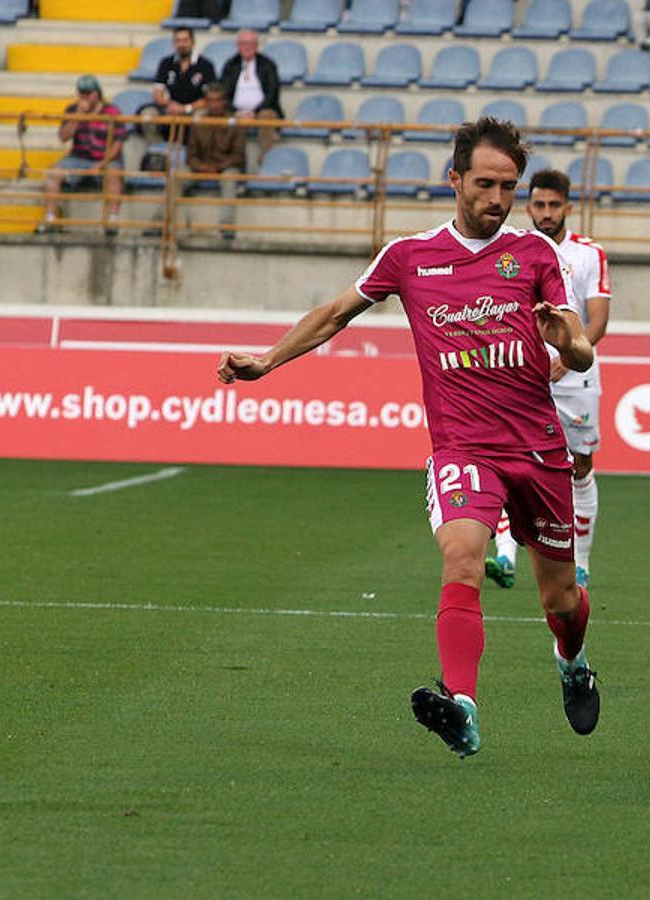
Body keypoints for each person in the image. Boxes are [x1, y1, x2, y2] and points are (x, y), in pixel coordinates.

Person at [214, 118, 601, 759]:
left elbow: (579, 347)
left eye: (508, 186)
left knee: (560, 599)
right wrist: (267, 360)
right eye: (484, 184)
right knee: (463, 559)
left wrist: (568, 342)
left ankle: (572, 660)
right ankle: (462, 705)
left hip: (537, 449)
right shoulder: (410, 256)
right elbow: (334, 313)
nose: (497, 199)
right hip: (463, 448)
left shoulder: (536, 254)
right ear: (454, 179)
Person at [486, 169, 612, 590]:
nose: (546, 213)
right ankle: (506, 555)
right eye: (539, 205)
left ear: (567, 208)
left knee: (579, 466)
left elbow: (598, 320)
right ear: (529, 207)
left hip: (575, 377)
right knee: (505, 462)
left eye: (554, 205)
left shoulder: (589, 254)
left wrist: (568, 355)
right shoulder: (511, 250)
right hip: (522, 375)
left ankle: (581, 562)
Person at [40, 75, 125, 233]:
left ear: (97, 93)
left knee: (114, 175)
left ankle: (112, 219)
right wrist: (77, 116)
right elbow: (64, 137)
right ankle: (50, 217)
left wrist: (102, 163)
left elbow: (118, 144)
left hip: (105, 158)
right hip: (78, 157)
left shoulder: (112, 111)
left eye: (88, 93)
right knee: (53, 174)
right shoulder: (72, 110)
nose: (84, 97)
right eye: (82, 93)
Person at [218, 29, 282, 175]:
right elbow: (223, 93)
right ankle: (230, 163)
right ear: (238, 46)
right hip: (235, 111)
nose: (247, 47)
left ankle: (265, 161)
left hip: (261, 111)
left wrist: (255, 112)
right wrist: (236, 112)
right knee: (217, 114)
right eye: (243, 43)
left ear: (256, 46)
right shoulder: (231, 64)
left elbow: (273, 93)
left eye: (250, 43)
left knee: (267, 116)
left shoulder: (267, 64)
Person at [186, 82, 244, 239]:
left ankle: (227, 228)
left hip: (225, 167)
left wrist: (218, 167)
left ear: (224, 102)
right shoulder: (198, 123)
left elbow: (238, 156)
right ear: (205, 102)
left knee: (230, 177)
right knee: (176, 175)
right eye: (210, 101)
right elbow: (191, 155)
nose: (214, 105)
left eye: (218, 100)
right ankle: (160, 224)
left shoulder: (234, 123)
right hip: (201, 166)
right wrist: (201, 167)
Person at [146, 27, 216, 142]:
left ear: (193, 42)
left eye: (185, 40)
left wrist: (185, 108)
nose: (182, 44)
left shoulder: (206, 65)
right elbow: (158, 93)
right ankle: (157, 148)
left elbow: (209, 98)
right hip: (170, 108)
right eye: (178, 41)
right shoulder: (166, 63)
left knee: (201, 118)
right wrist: (169, 105)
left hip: (193, 109)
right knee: (148, 114)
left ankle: (193, 151)